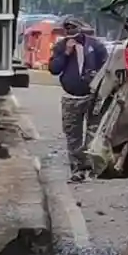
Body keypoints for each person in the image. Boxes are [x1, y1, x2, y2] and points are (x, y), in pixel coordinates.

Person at [48, 17, 108, 182]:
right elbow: (54, 69)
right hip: (71, 98)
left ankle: (90, 167)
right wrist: (66, 53)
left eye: (73, 28)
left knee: (93, 133)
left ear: (80, 28)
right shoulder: (61, 47)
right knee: (73, 136)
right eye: (67, 29)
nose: (70, 32)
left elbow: (106, 66)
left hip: (93, 96)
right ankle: (77, 169)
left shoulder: (95, 46)